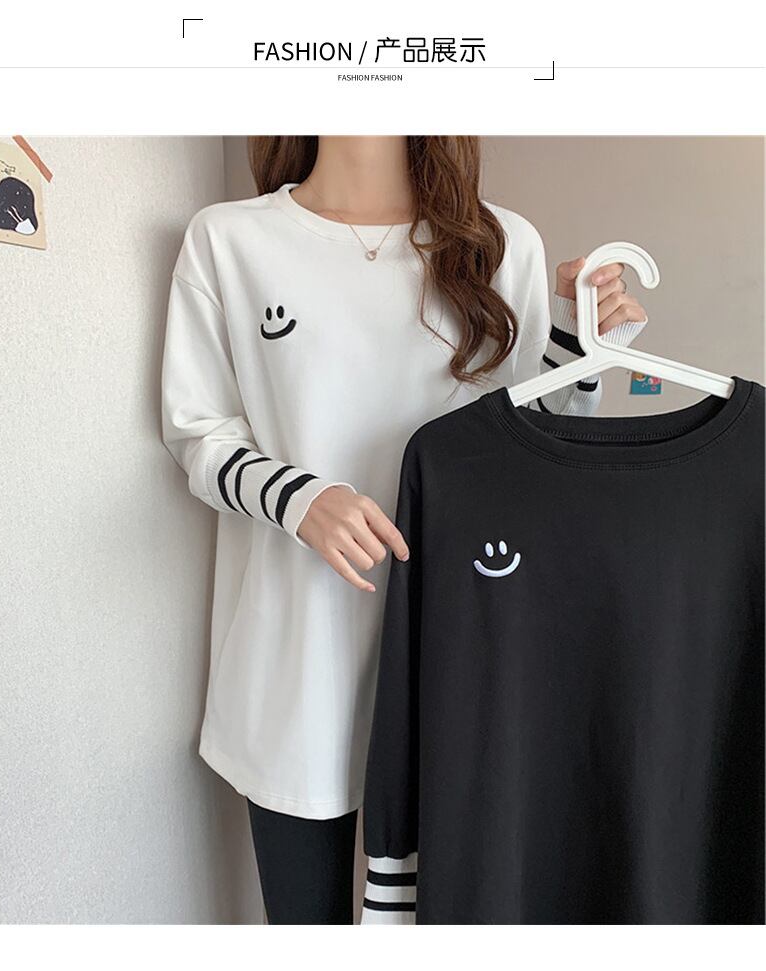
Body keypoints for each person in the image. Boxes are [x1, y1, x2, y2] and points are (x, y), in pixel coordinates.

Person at [160, 136, 647, 924]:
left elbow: (529, 455)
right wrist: (299, 498)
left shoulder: (503, 244)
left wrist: (580, 350)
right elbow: (197, 432)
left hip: (459, 651)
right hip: (298, 657)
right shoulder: (229, 239)